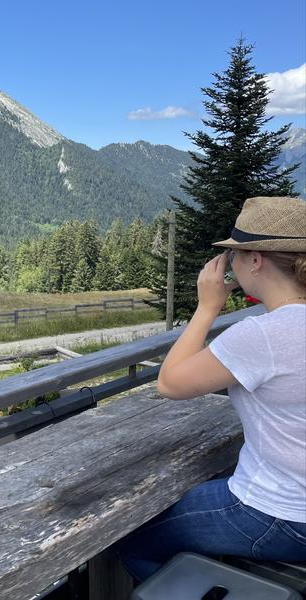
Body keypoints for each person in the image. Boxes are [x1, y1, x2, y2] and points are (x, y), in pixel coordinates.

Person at [118, 196, 306, 582]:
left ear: (256, 260)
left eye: (234, 254)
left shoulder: (263, 335)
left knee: (133, 541)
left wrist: (207, 307)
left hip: (280, 513)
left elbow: (170, 383)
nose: (230, 263)